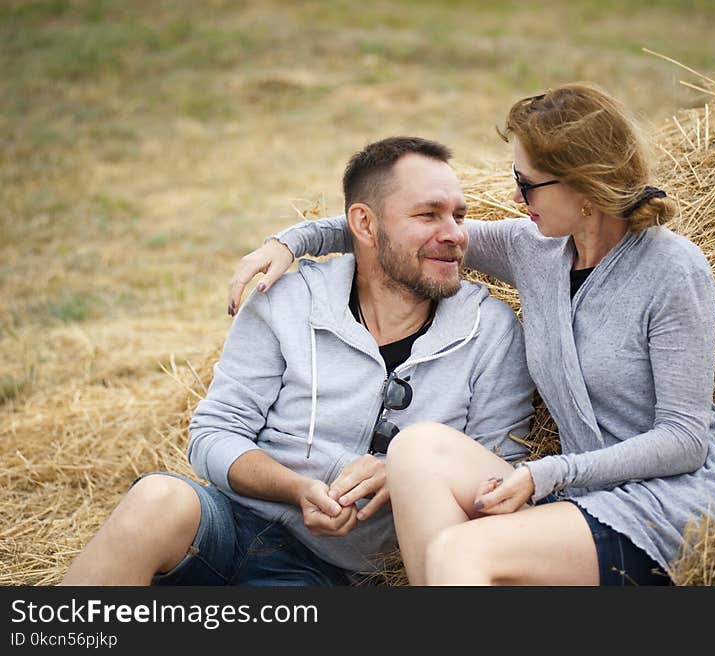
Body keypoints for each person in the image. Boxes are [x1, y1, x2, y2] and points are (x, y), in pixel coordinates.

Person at [227, 83, 715, 586]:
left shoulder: (672, 267)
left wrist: (551, 473)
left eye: (527, 183)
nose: (517, 195)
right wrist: (290, 243)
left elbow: (685, 440)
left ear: (583, 184)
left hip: (676, 502)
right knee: (415, 449)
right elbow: (396, 233)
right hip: (583, 500)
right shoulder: (537, 249)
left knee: (458, 550)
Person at [61, 136, 534, 586]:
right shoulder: (286, 300)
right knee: (156, 499)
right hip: (234, 524)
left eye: (459, 216)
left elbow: (500, 473)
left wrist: (409, 474)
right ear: (365, 225)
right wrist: (295, 489)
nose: (454, 234)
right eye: (428, 215)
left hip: (340, 574)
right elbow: (212, 434)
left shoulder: (490, 331)